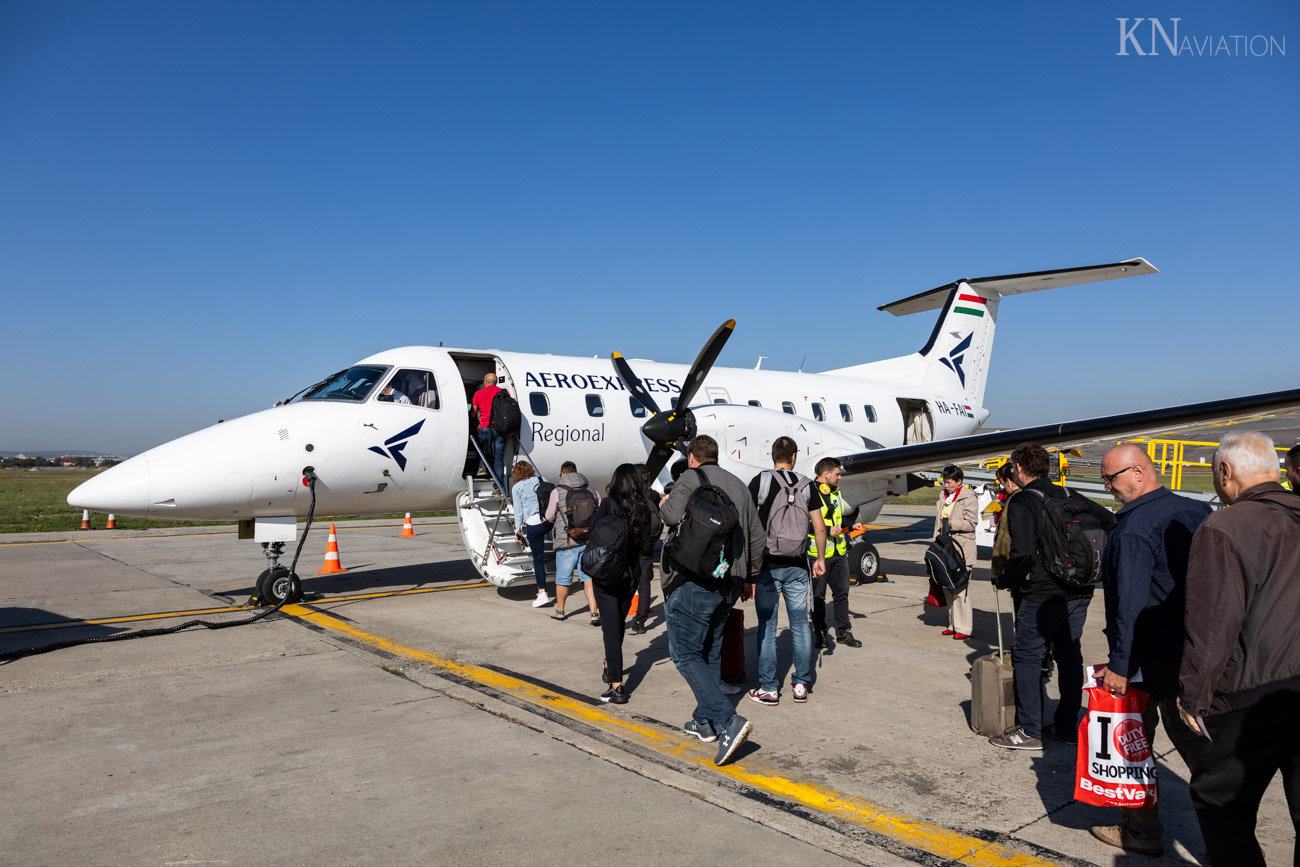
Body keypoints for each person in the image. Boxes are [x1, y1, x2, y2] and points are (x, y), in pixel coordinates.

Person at [1178, 431, 1300, 867]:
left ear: (1225, 471)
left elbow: (1213, 623)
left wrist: (1194, 696)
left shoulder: (1225, 526)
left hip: (1253, 695)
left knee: (1220, 802)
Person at [1087, 444, 1211, 858]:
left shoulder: (1137, 526)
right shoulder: (1196, 511)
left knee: (1133, 746)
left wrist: (1120, 664)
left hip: (1152, 661)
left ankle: (1141, 833)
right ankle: (1233, 843)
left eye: (1111, 479)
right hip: (1197, 657)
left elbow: (1131, 604)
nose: (1108, 488)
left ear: (1139, 472)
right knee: (1205, 755)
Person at [989, 442, 1113, 750]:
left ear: (1018, 469)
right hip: (1080, 590)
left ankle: (1030, 730)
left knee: (1028, 656)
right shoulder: (1069, 494)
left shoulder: (1023, 501)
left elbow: (1023, 554)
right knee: (1069, 654)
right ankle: (1067, 727)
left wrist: (1004, 580)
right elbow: (1110, 521)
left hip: (1043, 593)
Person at [659, 435, 765, 766]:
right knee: (710, 650)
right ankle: (704, 722)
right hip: (729, 583)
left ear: (692, 458)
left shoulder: (690, 478)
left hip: (693, 580)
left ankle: (726, 721)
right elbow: (757, 538)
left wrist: (664, 503)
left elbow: (672, 516)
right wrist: (749, 577)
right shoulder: (739, 486)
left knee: (685, 654)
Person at [746, 436, 822, 706]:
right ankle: (801, 684)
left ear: (772, 456)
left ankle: (769, 687)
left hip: (768, 566)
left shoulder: (761, 481)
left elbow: (750, 526)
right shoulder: (807, 485)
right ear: (794, 457)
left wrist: (748, 569)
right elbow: (819, 526)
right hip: (798, 566)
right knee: (801, 625)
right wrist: (820, 558)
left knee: (767, 626)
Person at [592, 463, 656, 704]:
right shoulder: (644, 508)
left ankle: (617, 686)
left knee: (611, 629)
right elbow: (647, 547)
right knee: (616, 624)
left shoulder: (608, 504)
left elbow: (593, 533)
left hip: (606, 574)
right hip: (631, 575)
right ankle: (610, 664)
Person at [808, 457, 865, 650]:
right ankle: (820, 632)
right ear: (826, 474)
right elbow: (802, 523)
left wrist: (850, 525)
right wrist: (827, 528)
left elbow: (838, 518)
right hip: (818, 554)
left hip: (839, 553)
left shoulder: (834, 493)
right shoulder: (809, 493)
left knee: (842, 594)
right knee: (818, 596)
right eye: (837, 473)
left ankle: (844, 632)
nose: (840, 477)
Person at [544, 461, 600, 622]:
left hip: (567, 540)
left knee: (563, 578)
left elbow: (549, 516)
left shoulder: (558, 490)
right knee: (588, 577)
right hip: (588, 539)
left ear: (563, 474)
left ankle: (560, 611)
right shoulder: (590, 488)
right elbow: (599, 506)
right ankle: (594, 612)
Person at [933, 465, 977, 641]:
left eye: (949, 482)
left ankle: (964, 627)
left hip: (962, 549)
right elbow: (937, 524)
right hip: (945, 548)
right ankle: (953, 624)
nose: (946, 486)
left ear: (959, 482)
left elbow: (971, 523)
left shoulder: (969, 497)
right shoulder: (943, 496)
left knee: (961, 589)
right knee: (948, 588)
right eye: (944, 482)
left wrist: (953, 523)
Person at [510, 461, 552, 609]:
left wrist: (518, 531)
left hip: (534, 524)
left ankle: (542, 593)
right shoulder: (542, 479)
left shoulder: (517, 488)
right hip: (549, 521)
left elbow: (518, 512)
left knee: (538, 559)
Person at [629, 463, 662, 635]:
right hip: (647, 545)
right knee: (644, 583)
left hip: (630, 544)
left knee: (626, 581)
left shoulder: (629, 496)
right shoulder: (653, 495)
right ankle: (640, 620)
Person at [470, 373, 507, 487]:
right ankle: (498, 487)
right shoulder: (504, 393)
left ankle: (481, 467)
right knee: (498, 460)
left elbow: (473, 413)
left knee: (479, 446)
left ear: (485, 382)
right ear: (496, 382)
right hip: (500, 430)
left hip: (484, 428)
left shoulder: (479, 393)